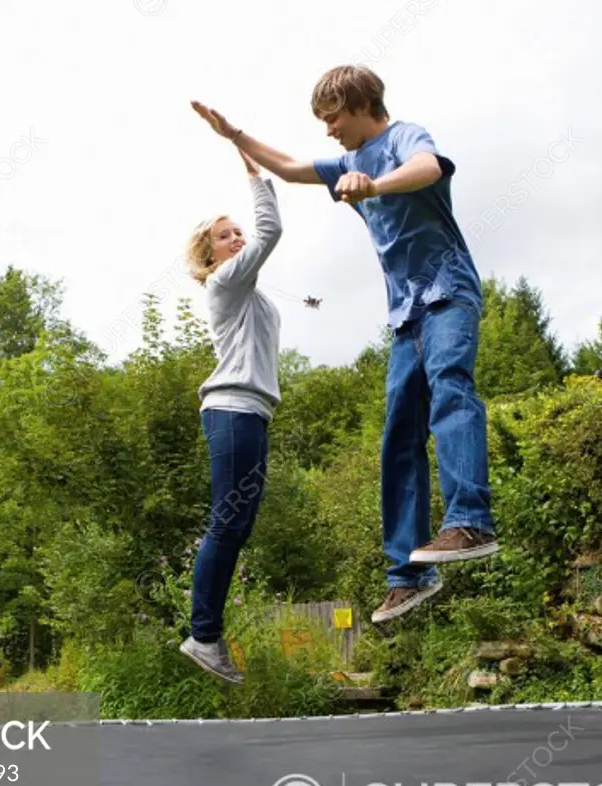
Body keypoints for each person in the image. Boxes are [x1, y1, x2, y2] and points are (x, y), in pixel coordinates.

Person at [191, 64, 498, 626]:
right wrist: (234, 136)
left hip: (448, 292)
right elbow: (285, 167)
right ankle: (408, 574)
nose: (329, 131)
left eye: (333, 119)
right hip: (406, 316)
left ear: (360, 106)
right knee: (398, 435)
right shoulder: (346, 161)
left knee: (452, 390)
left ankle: (470, 519)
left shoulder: (403, 137)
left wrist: (375, 185)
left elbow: (428, 167)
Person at [178, 144, 283, 683]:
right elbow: (271, 233)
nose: (238, 238)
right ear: (211, 256)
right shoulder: (225, 282)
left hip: (252, 414)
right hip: (233, 410)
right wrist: (254, 170)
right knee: (227, 521)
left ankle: (207, 634)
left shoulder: (251, 295)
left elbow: (261, 242)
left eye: (238, 231)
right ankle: (204, 635)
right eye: (227, 235)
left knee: (237, 524)